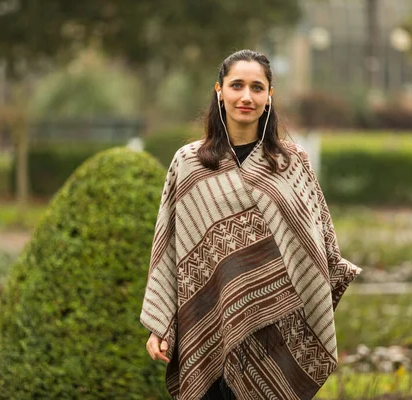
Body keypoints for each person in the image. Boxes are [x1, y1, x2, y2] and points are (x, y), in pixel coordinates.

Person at [141, 49, 361, 400]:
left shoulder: (292, 163)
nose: (246, 97)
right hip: (209, 326)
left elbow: (319, 243)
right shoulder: (189, 163)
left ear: (269, 96)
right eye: (237, 85)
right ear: (220, 91)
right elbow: (168, 248)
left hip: (277, 331)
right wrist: (162, 323)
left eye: (257, 88)